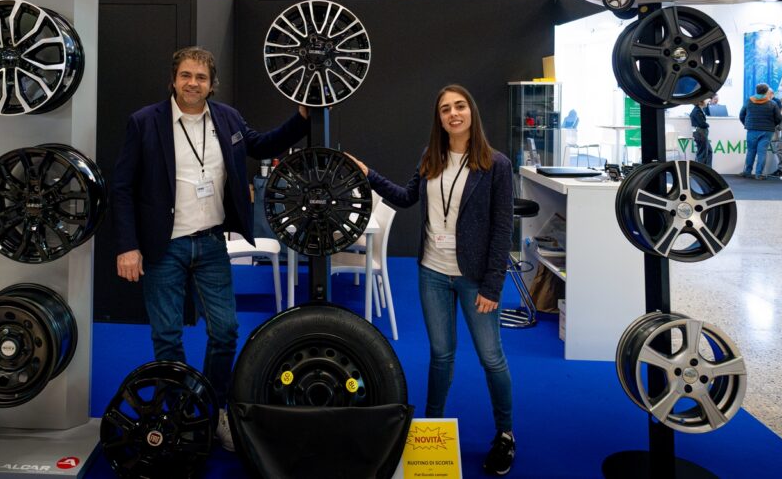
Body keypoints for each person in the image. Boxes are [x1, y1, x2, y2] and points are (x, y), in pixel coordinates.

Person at [111, 46, 309, 451]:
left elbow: (263, 145)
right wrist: (128, 246)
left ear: (211, 84)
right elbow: (122, 188)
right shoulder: (144, 122)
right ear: (173, 80)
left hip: (211, 243)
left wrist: (302, 118)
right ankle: (179, 413)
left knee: (226, 330)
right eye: (186, 75)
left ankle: (213, 406)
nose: (193, 83)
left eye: (200, 77)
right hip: (163, 246)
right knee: (167, 336)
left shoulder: (228, 118)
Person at [348, 85, 516, 476]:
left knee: (491, 357)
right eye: (445, 109)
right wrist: (368, 175)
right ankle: (431, 428)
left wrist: (493, 286)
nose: (453, 114)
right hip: (433, 272)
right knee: (441, 355)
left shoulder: (496, 164)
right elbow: (406, 197)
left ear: (471, 112)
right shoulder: (431, 157)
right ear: (438, 118)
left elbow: (503, 228)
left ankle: (506, 433)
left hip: (475, 278)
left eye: (459, 106)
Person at [739, 83, 782, 180]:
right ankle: (759, 174)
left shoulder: (749, 101)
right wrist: (772, 125)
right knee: (762, 152)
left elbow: (741, 115)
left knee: (751, 151)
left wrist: (747, 124)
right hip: (767, 131)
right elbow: (779, 118)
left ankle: (747, 172)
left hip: (752, 130)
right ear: (766, 91)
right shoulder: (772, 103)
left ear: (756, 90)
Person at [767, 89, 782, 177]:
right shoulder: (771, 102)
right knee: (777, 149)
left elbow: (778, 116)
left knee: (778, 149)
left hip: (776, 129)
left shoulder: (775, 102)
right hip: (772, 129)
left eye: (766, 93)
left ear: (771, 93)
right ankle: (781, 168)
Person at [690, 99, 712, 167]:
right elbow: (702, 124)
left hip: (701, 133)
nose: (708, 101)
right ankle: (701, 170)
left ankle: (708, 169)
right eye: (706, 100)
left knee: (709, 151)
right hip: (700, 133)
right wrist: (707, 125)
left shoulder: (700, 110)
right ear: (701, 101)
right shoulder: (697, 111)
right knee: (702, 154)